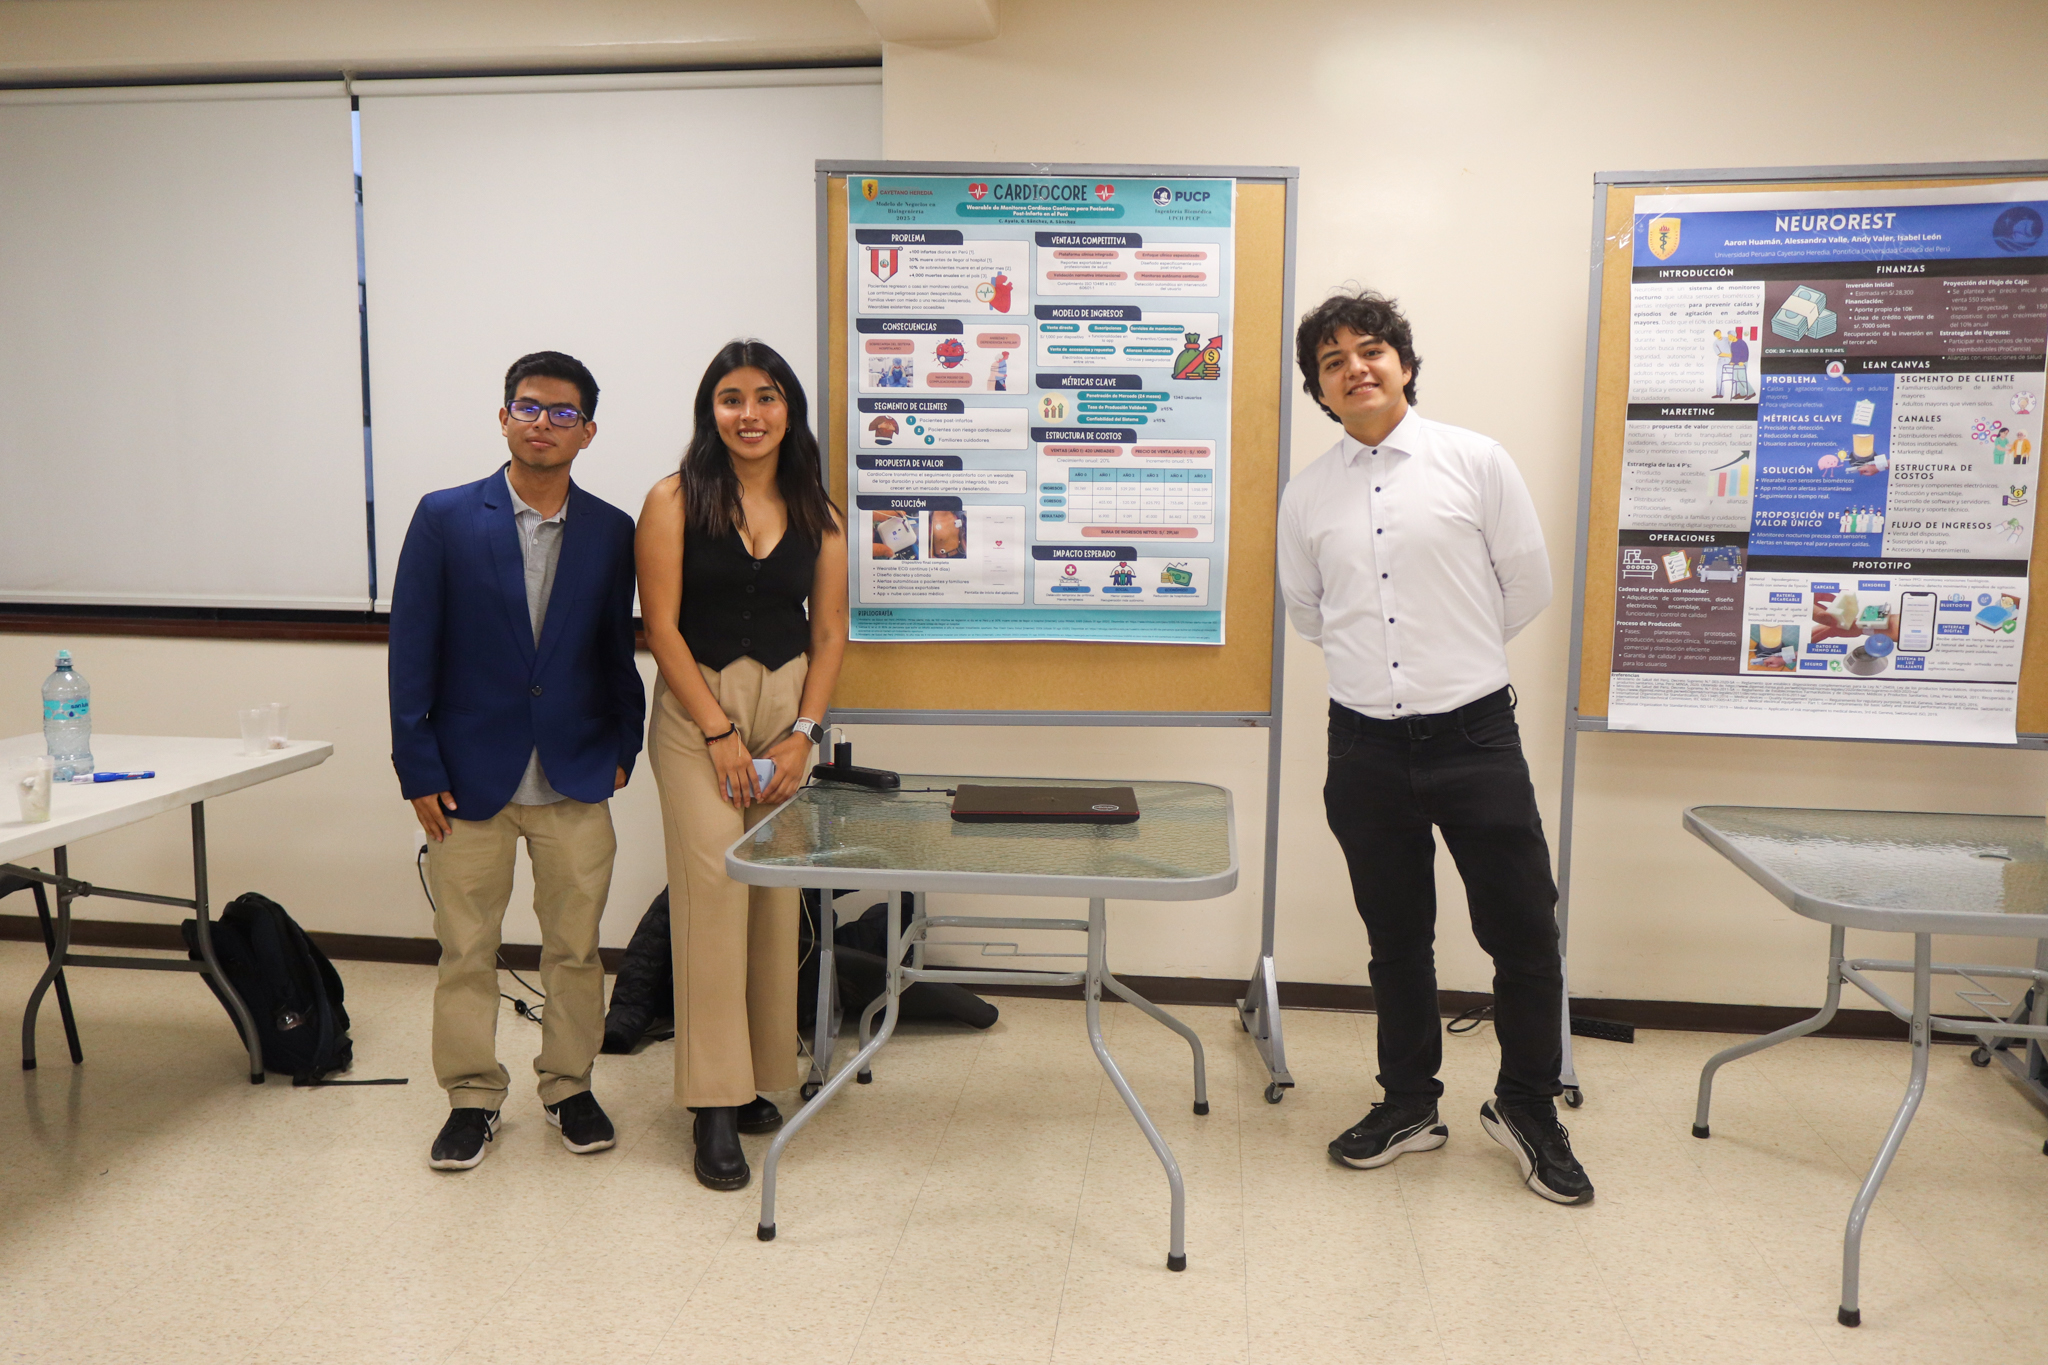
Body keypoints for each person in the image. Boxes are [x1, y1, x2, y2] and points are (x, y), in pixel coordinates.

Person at [1277, 289, 1593, 1205]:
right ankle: (1410, 1102)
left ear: (1405, 365)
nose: (1355, 368)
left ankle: (1527, 1104)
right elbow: (1309, 612)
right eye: (1332, 361)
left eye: (1371, 350)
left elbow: (1526, 586)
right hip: (1363, 746)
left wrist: (1450, 662)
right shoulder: (1307, 494)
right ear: (1320, 390)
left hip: (1474, 734)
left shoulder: (1475, 461)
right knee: (1396, 937)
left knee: (1524, 932)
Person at [388, 351, 645, 1171]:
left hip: (575, 772)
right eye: (528, 406)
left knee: (575, 947)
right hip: (467, 779)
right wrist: (418, 766)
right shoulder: (444, 517)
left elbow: (615, 648)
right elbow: (412, 648)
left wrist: (625, 743)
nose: (543, 423)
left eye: (563, 412)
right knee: (466, 948)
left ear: (588, 432)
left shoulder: (611, 529)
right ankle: (471, 1096)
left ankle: (570, 1086)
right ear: (503, 417)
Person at [637, 340, 849, 1191]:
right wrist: (719, 730)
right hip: (700, 711)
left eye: (766, 396)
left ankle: (759, 1075)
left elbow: (829, 629)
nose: (749, 413)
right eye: (731, 398)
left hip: (785, 711)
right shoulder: (673, 498)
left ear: (788, 410)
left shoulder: (817, 509)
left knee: (772, 894)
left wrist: (804, 732)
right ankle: (712, 1103)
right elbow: (661, 626)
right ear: (710, 411)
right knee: (714, 888)